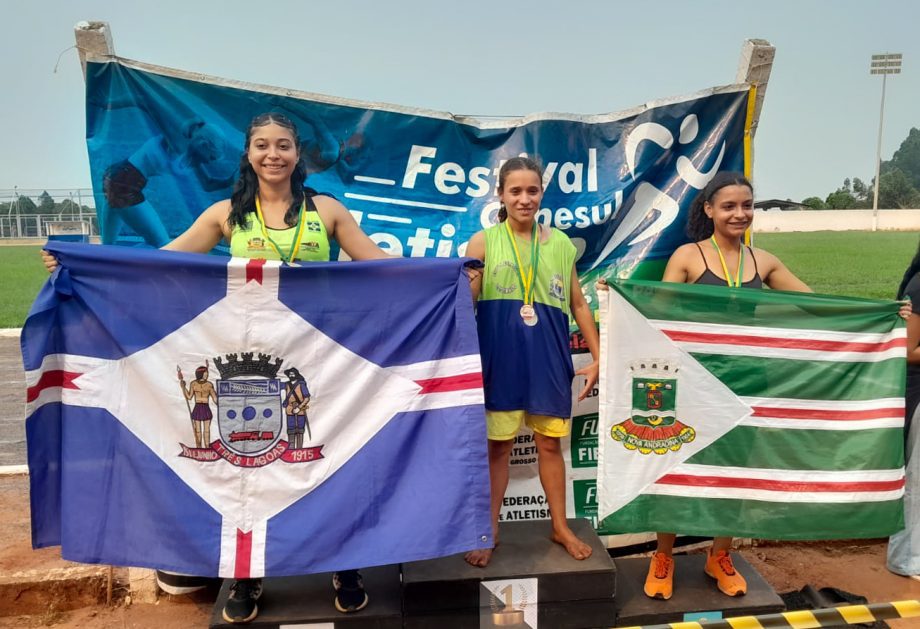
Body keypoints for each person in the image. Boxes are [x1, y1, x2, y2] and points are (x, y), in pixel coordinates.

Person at [44, 112, 388, 623]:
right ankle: (248, 577)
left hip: (321, 361)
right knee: (250, 467)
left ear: (298, 154)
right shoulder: (226, 213)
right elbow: (160, 264)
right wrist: (84, 264)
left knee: (331, 458)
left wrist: (448, 274)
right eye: (263, 145)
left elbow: (380, 265)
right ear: (248, 154)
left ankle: (346, 564)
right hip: (251, 366)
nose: (274, 155)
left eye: (284, 145)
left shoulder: (330, 211)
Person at [646, 171, 813, 600]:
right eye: (729, 206)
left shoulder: (764, 261)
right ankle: (662, 556)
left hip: (748, 381)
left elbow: (815, 304)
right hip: (696, 382)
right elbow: (657, 314)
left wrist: (886, 315)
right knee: (676, 466)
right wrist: (619, 299)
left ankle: (720, 554)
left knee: (735, 471)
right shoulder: (687, 257)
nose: (739, 214)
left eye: (746, 206)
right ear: (709, 209)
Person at [463, 156, 600, 568]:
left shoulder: (559, 244)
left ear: (542, 193)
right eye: (515, 191)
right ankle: (490, 530)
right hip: (500, 358)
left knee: (549, 445)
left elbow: (577, 303)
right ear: (501, 195)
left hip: (547, 359)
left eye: (532, 190)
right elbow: (464, 300)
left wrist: (598, 356)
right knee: (498, 449)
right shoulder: (484, 241)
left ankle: (560, 526)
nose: (524, 199)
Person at [887, 241, 920, 578]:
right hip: (918, 390)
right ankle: (906, 557)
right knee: (917, 478)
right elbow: (907, 350)